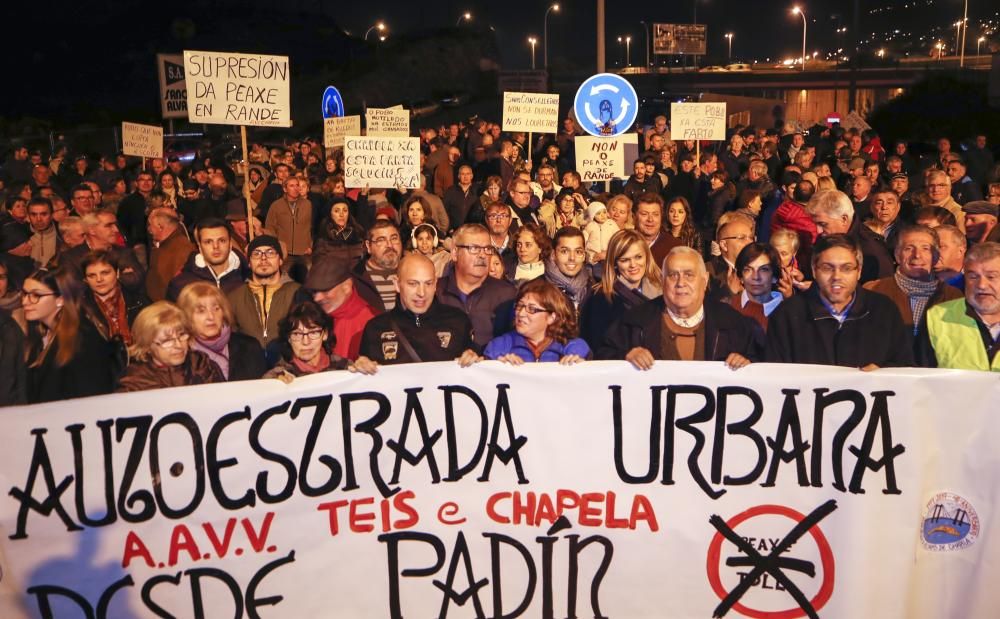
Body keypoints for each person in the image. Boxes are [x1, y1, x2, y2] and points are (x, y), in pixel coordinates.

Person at [765, 234, 914, 368]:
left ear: (859, 271)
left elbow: (904, 366)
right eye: (827, 268)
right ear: (814, 270)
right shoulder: (786, 316)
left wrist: (882, 374)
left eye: (847, 268)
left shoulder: (884, 311)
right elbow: (776, 377)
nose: (837, 276)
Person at [598, 246, 760, 369]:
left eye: (689, 275)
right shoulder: (633, 323)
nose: (681, 283)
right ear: (662, 280)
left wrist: (748, 365)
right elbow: (601, 359)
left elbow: (764, 368)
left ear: (704, 281)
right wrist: (625, 356)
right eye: (673, 275)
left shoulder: (734, 324)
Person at [863, 225, 963, 363]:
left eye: (925, 249)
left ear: (935, 257)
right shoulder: (874, 290)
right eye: (909, 248)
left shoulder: (953, 297)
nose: (917, 255)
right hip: (886, 377)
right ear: (897, 255)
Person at [358, 254, 475, 365]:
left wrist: (473, 360)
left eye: (428, 283)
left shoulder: (458, 321)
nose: (421, 293)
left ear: (435, 284)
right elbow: (369, 382)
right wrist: (362, 368)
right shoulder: (375, 328)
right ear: (397, 284)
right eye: (413, 284)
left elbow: (474, 376)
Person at [23, 267, 114, 402]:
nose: (25, 301)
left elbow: (90, 398)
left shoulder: (83, 339)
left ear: (60, 300)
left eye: (36, 296)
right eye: (25, 294)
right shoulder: (40, 333)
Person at [436, 223, 517, 348]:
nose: (482, 255)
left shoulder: (507, 294)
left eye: (487, 249)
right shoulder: (436, 292)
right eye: (474, 248)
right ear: (454, 253)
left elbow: (519, 342)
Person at [922, 242, 1000, 371]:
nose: (981, 285)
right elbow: (920, 376)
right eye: (973, 277)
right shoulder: (937, 317)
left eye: (991, 277)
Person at [473, 278, 590, 364]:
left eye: (532, 309)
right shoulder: (499, 348)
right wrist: (495, 365)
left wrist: (579, 364)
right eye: (520, 306)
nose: (521, 313)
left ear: (551, 317)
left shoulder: (573, 347)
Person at [116, 301, 226, 392]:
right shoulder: (133, 382)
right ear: (147, 346)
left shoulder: (202, 364)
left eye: (182, 335)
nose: (178, 345)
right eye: (167, 341)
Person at [177, 282, 266, 382]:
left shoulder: (249, 346)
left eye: (216, 309)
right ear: (186, 317)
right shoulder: (181, 355)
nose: (211, 317)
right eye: (201, 311)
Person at [805, 189, 894, 283]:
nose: (818, 230)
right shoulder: (825, 239)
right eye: (815, 224)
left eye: (823, 224)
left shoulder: (873, 252)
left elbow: (882, 292)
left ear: (844, 219)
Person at [228, 234, 300, 349]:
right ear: (249, 263)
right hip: (250, 362)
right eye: (256, 254)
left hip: (287, 362)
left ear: (281, 260)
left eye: (270, 253)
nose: (263, 258)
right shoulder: (234, 297)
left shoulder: (297, 293)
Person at [264, 300, 353, 381]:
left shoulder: (344, 367)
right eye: (297, 334)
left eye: (313, 333)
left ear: (325, 334)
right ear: (289, 338)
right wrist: (274, 385)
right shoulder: (279, 376)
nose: (306, 342)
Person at [166, 218, 248, 301]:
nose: (216, 246)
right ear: (200, 247)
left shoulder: (247, 281)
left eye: (222, 241)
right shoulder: (181, 285)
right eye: (208, 242)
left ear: (230, 244)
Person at [730, 243, 786, 331]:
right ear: (741, 277)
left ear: (774, 277)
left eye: (764, 269)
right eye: (748, 270)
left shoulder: (789, 312)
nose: (756, 277)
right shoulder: (729, 307)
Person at [264, 176, 312, 280]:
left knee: (306, 285)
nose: (296, 188)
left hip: (304, 252)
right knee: (285, 284)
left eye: (297, 185)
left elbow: (313, 226)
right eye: (292, 186)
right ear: (285, 189)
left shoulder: (307, 205)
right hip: (285, 254)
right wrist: (276, 246)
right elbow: (269, 228)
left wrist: (311, 245)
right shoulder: (276, 206)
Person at [146, 207, 195, 302]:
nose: (149, 230)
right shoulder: (165, 246)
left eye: (151, 225)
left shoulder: (183, 249)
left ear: (160, 226)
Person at [313, 198, 366, 264]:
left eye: (345, 210)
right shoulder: (323, 239)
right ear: (330, 215)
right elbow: (319, 265)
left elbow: (363, 263)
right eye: (336, 211)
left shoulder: (358, 235)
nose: (341, 215)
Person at [634, 192, 675, 267]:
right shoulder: (624, 244)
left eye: (655, 214)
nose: (650, 219)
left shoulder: (674, 247)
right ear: (634, 217)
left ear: (661, 217)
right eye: (644, 214)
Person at [584, 201, 619, 267]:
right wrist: (590, 257)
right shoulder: (590, 226)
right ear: (593, 216)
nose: (602, 215)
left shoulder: (611, 224)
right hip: (593, 257)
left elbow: (619, 237)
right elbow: (583, 241)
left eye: (604, 212)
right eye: (598, 213)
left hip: (609, 255)